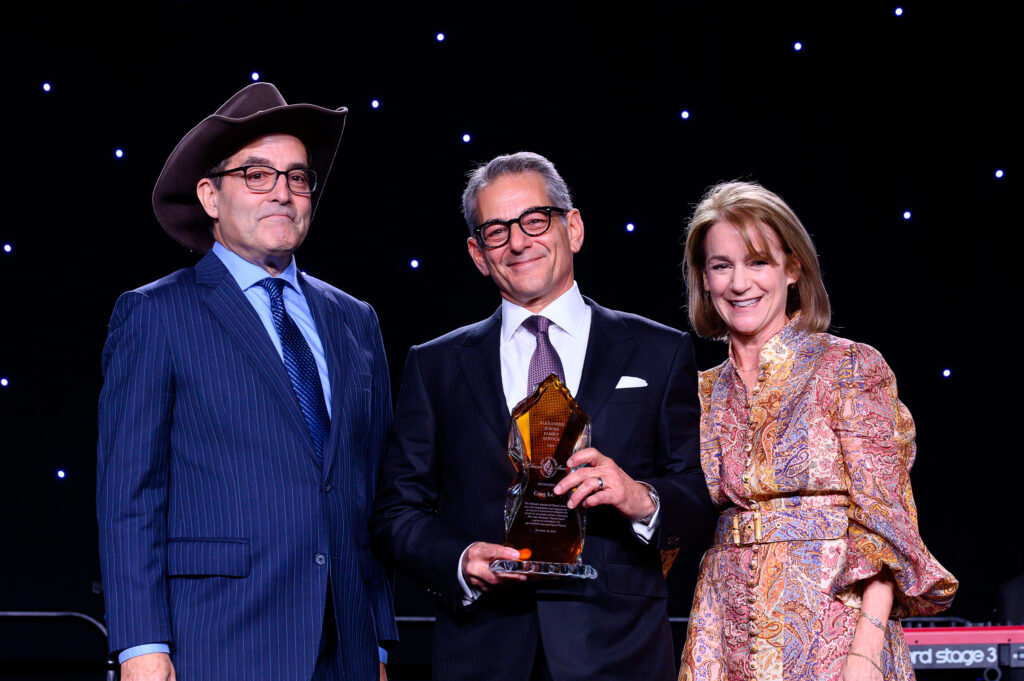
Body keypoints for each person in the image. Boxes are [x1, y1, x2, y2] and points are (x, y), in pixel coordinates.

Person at [371, 151, 715, 681]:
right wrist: (460, 559)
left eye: (535, 219)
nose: (518, 241)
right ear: (477, 253)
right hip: (482, 651)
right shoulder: (434, 364)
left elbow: (697, 495)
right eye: (496, 230)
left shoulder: (659, 351)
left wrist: (640, 498)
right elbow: (397, 512)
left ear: (572, 228)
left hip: (619, 650)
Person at [96, 83, 397, 681]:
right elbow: (130, 498)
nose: (283, 192)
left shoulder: (355, 320)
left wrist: (380, 641)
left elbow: (370, 493)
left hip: (349, 650)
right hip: (218, 639)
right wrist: (141, 648)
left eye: (297, 177)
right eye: (257, 175)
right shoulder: (156, 313)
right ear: (210, 194)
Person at [676, 181, 958, 681]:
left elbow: (884, 522)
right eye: (722, 265)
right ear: (704, 278)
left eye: (757, 262)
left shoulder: (848, 366)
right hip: (722, 630)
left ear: (793, 268)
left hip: (835, 628)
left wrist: (865, 653)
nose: (739, 283)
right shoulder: (697, 391)